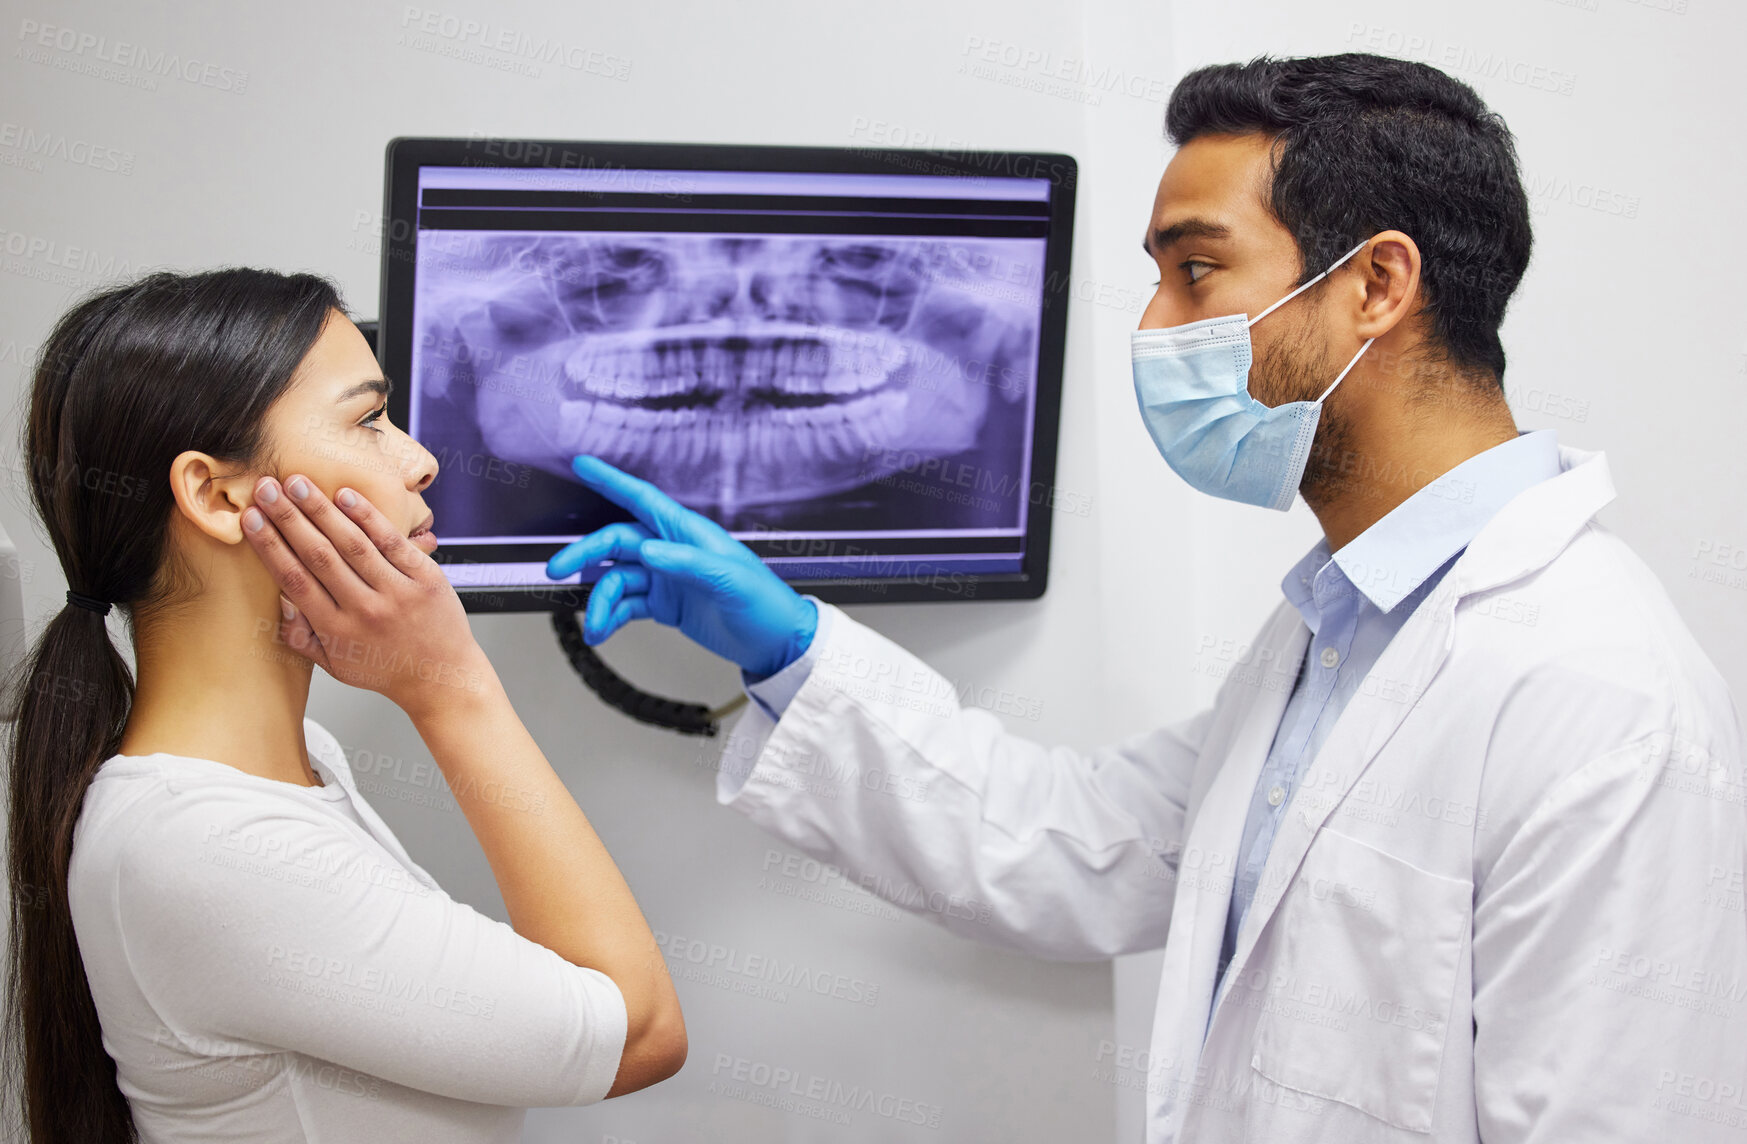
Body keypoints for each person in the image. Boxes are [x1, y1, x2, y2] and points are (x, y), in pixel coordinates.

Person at [254, 54, 1745, 1143]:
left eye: (1191, 270)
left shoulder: (1589, 691)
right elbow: (1083, 847)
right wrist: (787, 648)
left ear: (1374, 287)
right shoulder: (1341, 631)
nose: (1152, 325)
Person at [2, 268, 685, 1143]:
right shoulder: (208, 846)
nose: (420, 459)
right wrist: (453, 691)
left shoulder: (289, 766)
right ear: (216, 496)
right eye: (368, 421)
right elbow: (640, 1031)